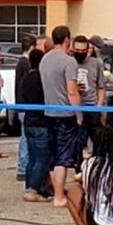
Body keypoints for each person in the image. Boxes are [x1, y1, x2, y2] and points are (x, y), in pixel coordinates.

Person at [39, 25, 81, 207]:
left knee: (52, 154)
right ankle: (58, 196)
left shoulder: (44, 60)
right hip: (65, 113)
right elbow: (71, 91)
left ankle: (56, 190)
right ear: (67, 40)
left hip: (48, 111)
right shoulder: (69, 62)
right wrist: (79, 113)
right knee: (63, 157)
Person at [21, 49, 51, 202]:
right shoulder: (41, 79)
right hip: (40, 121)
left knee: (32, 158)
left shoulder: (26, 77)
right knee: (42, 158)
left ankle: (29, 186)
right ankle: (33, 189)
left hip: (28, 121)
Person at [71, 34, 106, 163]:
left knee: (97, 138)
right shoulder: (70, 62)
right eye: (77, 51)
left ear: (88, 50)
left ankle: (96, 164)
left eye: (82, 51)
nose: (80, 53)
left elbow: (101, 86)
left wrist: (99, 105)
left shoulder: (96, 63)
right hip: (75, 106)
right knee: (77, 139)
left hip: (91, 105)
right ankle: (78, 165)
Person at [14, 34, 36, 182]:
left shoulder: (20, 63)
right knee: (25, 138)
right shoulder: (25, 63)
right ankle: (22, 167)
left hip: (21, 104)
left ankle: (24, 165)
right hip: (24, 105)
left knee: (26, 137)